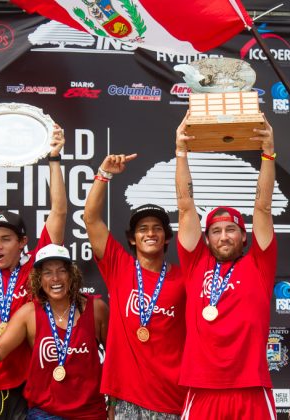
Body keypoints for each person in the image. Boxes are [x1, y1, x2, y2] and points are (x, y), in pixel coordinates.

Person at [0, 121, 67, 419]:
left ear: (22, 243)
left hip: (24, 385)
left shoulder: (36, 267)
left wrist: (54, 158)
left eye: (5, 239)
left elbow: (58, 212)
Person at [174, 112, 278, 419]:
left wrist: (268, 153)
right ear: (206, 239)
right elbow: (185, 206)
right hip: (202, 387)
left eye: (231, 229)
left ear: (244, 237)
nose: (223, 236)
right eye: (215, 231)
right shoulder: (196, 264)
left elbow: (263, 206)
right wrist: (181, 152)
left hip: (251, 387)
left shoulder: (259, 264)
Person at [84, 154, 187, 418]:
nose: (150, 233)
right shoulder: (119, 267)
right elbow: (91, 219)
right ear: (132, 239)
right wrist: (103, 175)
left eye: (156, 229)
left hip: (172, 399)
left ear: (166, 238)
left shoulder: (184, 278)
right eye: (142, 229)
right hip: (126, 399)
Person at [0, 244, 109, 419]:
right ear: (38, 279)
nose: (55, 278)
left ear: (72, 275)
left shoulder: (96, 309)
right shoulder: (28, 314)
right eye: (47, 273)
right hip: (44, 413)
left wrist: (113, 403)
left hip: (90, 413)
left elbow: (116, 361)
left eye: (62, 271)